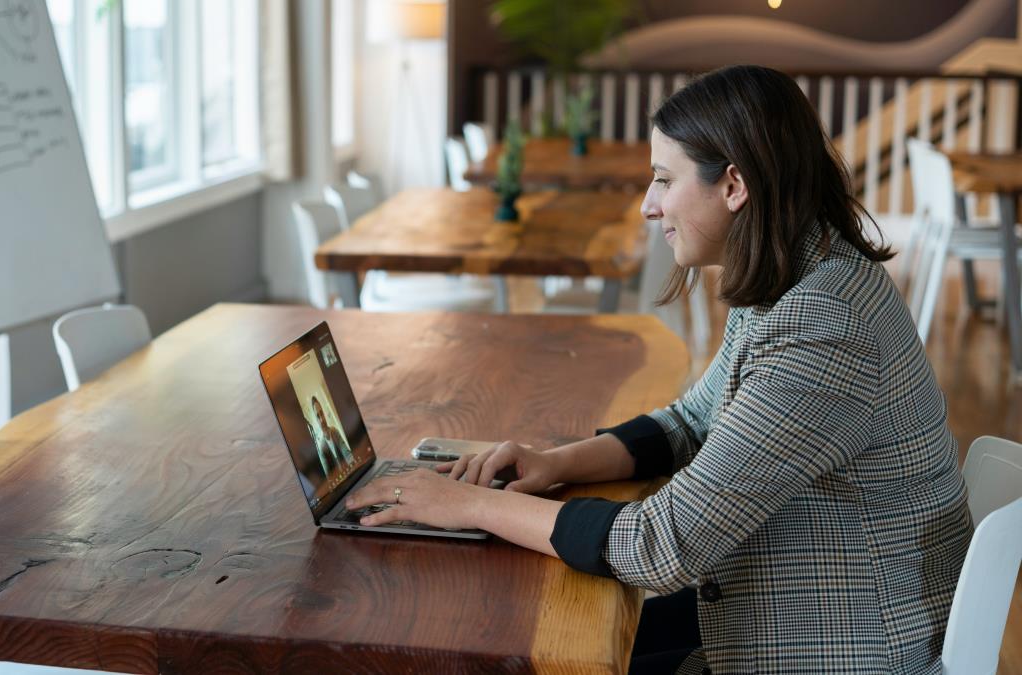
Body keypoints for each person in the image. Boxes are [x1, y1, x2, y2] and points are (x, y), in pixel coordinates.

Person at [346, 65, 972, 674]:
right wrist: (554, 462)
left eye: (664, 180)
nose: (648, 206)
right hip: (784, 608)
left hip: (844, 647)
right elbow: (691, 422)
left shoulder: (827, 324)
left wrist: (467, 507)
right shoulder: (800, 276)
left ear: (733, 185)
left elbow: (662, 545)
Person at [311, 395, 352, 473]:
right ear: (316, 420)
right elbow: (328, 475)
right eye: (318, 416)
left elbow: (346, 453)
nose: (322, 419)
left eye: (321, 413)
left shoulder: (334, 431)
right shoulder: (321, 448)